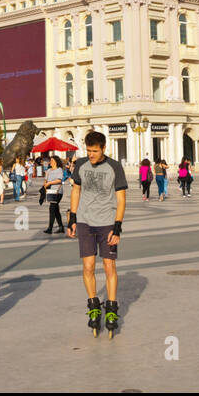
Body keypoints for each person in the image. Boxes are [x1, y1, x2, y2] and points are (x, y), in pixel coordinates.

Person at [66, 131, 127, 337]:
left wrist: (117, 227)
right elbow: (75, 191)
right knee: (88, 266)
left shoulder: (114, 167)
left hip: (107, 223)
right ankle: (93, 305)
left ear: (103, 149)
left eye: (94, 151)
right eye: (88, 150)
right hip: (85, 221)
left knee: (109, 265)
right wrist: (73, 218)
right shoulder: (81, 165)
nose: (90, 155)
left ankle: (111, 307)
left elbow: (121, 199)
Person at [43, 157, 67, 234]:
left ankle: (50, 228)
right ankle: (61, 227)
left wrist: (50, 183)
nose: (51, 162)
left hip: (57, 192)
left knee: (52, 208)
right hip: (50, 191)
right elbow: (46, 180)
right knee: (56, 210)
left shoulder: (59, 170)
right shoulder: (49, 170)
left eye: (52, 160)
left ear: (56, 161)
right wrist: (46, 182)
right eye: (51, 160)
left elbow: (59, 180)